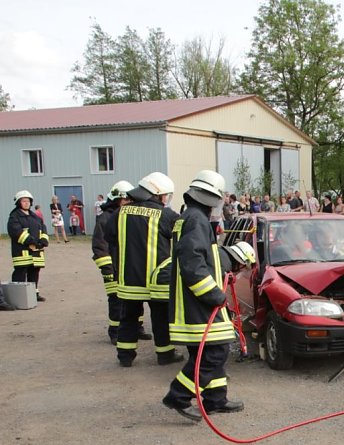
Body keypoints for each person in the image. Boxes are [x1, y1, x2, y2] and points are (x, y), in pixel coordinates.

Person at [162, 170, 252, 421]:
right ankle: (178, 395)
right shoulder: (196, 221)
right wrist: (214, 295)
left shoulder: (190, 217)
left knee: (209, 351)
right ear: (212, 198)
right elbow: (192, 264)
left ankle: (215, 399)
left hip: (193, 301)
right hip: (199, 302)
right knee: (216, 351)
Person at [104, 172, 183, 368]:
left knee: (128, 317)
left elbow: (110, 238)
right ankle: (165, 355)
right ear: (157, 194)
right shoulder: (166, 215)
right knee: (160, 319)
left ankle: (125, 356)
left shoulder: (119, 213)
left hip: (128, 278)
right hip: (156, 280)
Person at [91, 180, 153, 345]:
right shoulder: (105, 218)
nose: (128, 203)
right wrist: (108, 269)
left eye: (130, 200)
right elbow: (99, 246)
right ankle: (115, 332)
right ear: (116, 199)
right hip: (113, 268)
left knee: (136, 298)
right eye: (125, 200)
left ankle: (137, 328)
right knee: (116, 300)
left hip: (129, 266)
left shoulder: (129, 216)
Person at [7, 190, 49, 302]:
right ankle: (18, 296)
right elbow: (16, 232)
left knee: (34, 272)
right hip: (22, 251)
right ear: (18, 202)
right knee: (21, 272)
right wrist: (33, 242)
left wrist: (44, 240)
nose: (26, 203)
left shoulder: (34, 216)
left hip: (36, 251)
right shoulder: (14, 216)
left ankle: (34, 294)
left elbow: (43, 228)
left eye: (28, 201)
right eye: (23, 201)